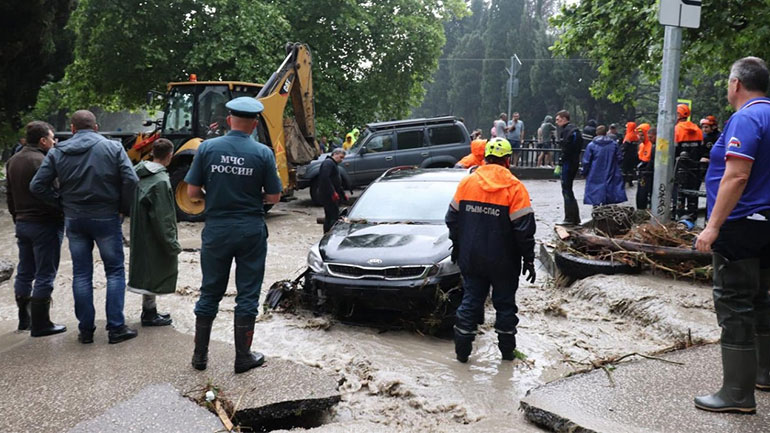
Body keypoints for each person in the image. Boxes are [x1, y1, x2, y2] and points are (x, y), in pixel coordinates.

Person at [694, 56, 770, 414]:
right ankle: (764, 374)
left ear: (736, 84)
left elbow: (737, 175)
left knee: (735, 302)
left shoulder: (747, 117)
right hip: (767, 222)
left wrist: (712, 226)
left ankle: (737, 394)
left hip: (740, 223)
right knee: (762, 298)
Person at [185, 97, 282, 374]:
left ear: (229, 120)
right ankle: (242, 357)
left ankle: (200, 357)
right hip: (250, 229)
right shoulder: (263, 153)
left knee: (210, 291)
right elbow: (274, 196)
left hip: (217, 229)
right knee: (248, 293)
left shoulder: (207, 148)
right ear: (255, 124)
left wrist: (216, 198)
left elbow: (192, 193)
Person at [30, 110, 139, 345]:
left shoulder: (58, 151)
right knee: (115, 272)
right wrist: (123, 208)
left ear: (72, 129)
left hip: (75, 219)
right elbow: (131, 179)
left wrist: (61, 204)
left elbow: (37, 185)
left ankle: (86, 330)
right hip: (107, 216)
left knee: (81, 274)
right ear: (96, 127)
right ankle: (116, 328)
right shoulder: (113, 148)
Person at [445, 137, 536, 363]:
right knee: (505, 306)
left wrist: (457, 246)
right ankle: (507, 355)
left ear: (485, 157)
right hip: (504, 262)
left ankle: (462, 355)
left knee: (470, 301)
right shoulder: (515, 187)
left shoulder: (467, 182)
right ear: (508, 160)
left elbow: (452, 219)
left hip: (472, 257)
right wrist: (529, 259)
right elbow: (524, 230)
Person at [6, 121, 66, 336]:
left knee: (25, 271)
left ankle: (25, 320)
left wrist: (16, 217)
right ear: (43, 141)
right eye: (51, 138)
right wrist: (61, 209)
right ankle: (42, 324)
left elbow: (9, 195)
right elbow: (55, 190)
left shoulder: (13, 160)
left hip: (22, 222)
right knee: (45, 273)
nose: (54, 142)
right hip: (44, 222)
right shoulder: (43, 161)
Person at [127, 138, 180, 327]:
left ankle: (149, 310)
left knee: (147, 271)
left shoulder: (139, 174)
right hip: (154, 234)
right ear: (170, 155)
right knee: (156, 270)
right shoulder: (161, 181)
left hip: (140, 231)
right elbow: (164, 217)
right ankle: (149, 314)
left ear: (152, 153)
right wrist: (172, 243)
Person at [581, 125, 626, 206]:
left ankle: (596, 209)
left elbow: (586, 161)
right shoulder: (614, 144)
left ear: (596, 133)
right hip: (611, 171)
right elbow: (619, 158)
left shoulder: (591, 145)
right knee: (610, 193)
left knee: (595, 194)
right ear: (606, 133)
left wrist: (584, 172)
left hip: (594, 173)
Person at [555, 110, 583, 225]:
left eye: (558, 119)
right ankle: (574, 217)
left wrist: (561, 161)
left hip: (568, 163)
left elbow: (566, 149)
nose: (556, 122)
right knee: (568, 189)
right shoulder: (575, 130)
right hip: (574, 162)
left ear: (564, 119)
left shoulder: (567, 131)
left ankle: (570, 218)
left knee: (566, 189)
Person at [318, 148, 347, 233]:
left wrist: (342, 193)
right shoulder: (328, 163)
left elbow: (336, 182)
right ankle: (330, 233)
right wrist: (332, 192)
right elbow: (325, 178)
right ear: (335, 154)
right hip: (328, 195)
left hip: (332, 193)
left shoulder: (333, 164)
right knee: (332, 216)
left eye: (343, 158)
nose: (342, 160)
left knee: (332, 215)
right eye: (341, 157)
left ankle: (329, 232)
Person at [635, 124, 654, 210]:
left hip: (648, 172)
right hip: (643, 172)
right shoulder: (641, 145)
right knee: (641, 192)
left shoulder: (651, 145)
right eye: (639, 135)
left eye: (642, 135)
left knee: (644, 192)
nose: (640, 137)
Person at [621, 122, 640, 187]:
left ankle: (623, 181)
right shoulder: (636, 135)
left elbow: (624, 146)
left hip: (627, 155)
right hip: (634, 155)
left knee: (625, 169)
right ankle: (630, 181)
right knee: (631, 169)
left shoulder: (628, 136)